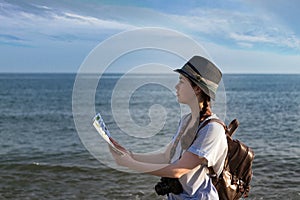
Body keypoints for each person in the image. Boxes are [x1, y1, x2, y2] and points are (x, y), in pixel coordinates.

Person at [109, 55, 228, 199]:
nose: (176, 86)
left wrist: (130, 164)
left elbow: (177, 170)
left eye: (181, 81)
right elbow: (167, 157)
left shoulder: (212, 129)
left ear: (196, 89)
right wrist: (129, 155)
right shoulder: (186, 121)